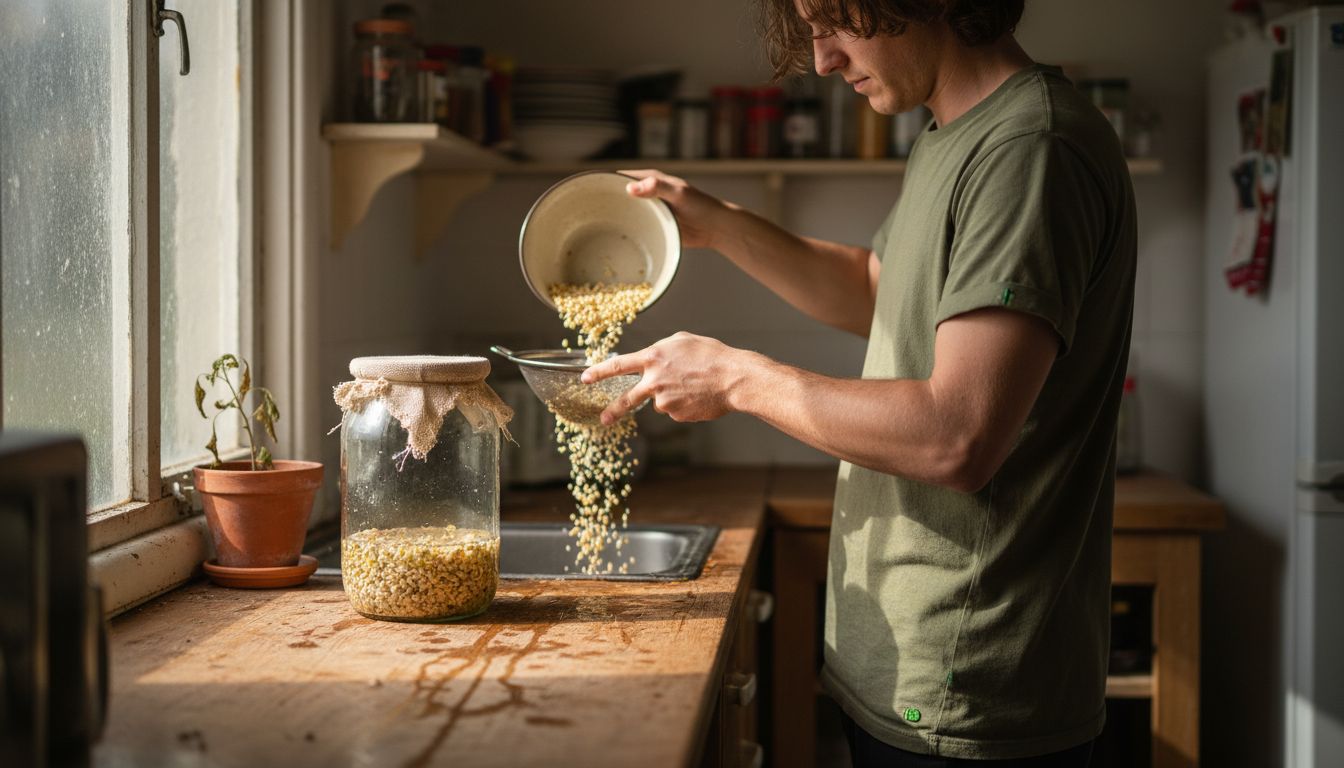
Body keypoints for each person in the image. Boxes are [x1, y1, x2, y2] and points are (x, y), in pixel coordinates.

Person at [583, 0, 1135, 764]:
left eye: (836, 23)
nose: (824, 61)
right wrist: (717, 225)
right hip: (907, 656)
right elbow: (882, 292)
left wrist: (738, 379)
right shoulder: (953, 131)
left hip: (969, 677)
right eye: (811, 31)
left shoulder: (1030, 148)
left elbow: (956, 435)